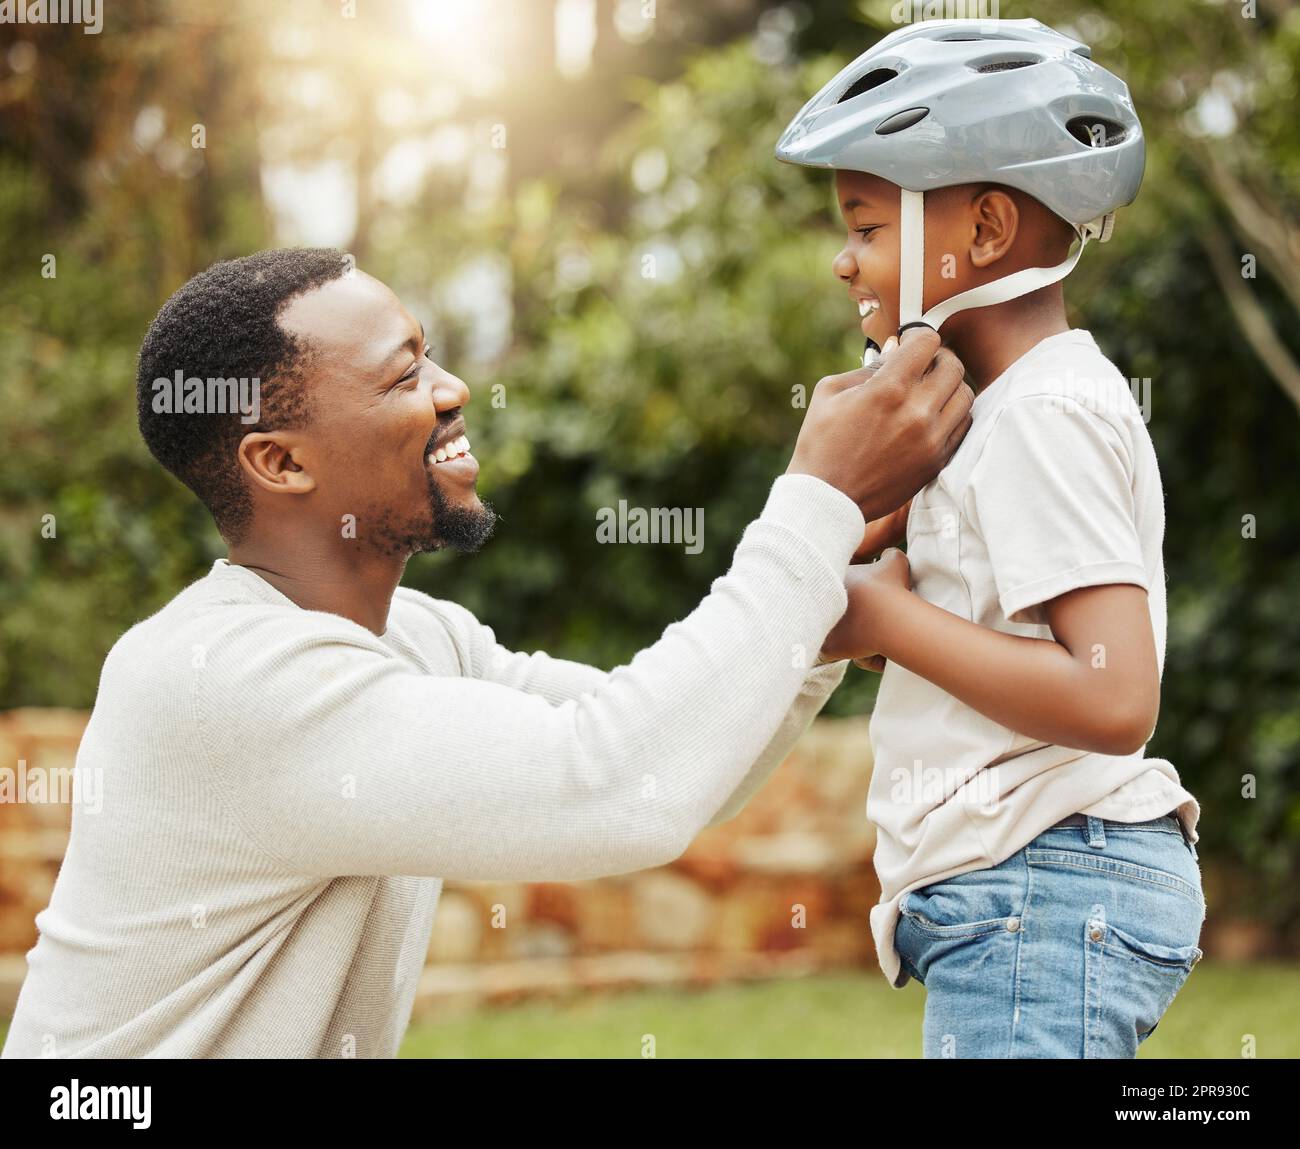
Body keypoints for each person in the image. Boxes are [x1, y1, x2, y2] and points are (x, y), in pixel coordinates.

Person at [1, 249, 970, 1058]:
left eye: (431, 356)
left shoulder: (417, 639)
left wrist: (822, 603)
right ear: (282, 461)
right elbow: (617, 782)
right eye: (402, 375)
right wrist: (812, 504)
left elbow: (676, 768)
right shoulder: (220, 679)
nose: (453, 389)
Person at [778, 17, 1205, 1058]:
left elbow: (1112, 695)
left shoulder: (1042, 414)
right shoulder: (993, 413)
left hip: (1046, 884)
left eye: (866, 227)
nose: (842, 262)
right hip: (1034, 887)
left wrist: (887, 613)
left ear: (982, 232)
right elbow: (996, 643)